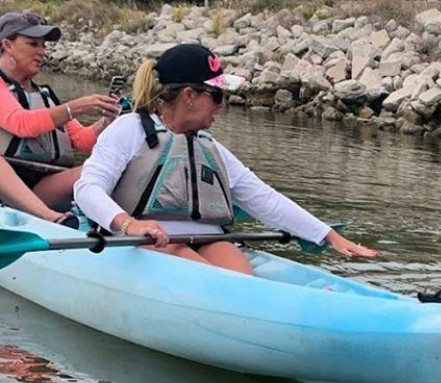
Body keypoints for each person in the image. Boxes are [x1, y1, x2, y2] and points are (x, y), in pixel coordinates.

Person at [74, 44, 378, 274]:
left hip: (206, 238)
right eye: (217, 96)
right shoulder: (129, 129)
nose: (222, 106)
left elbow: (263, 199)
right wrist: (129, 225)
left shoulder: (208, 146)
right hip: (144, 241)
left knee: (240, 279)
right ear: (189, 95)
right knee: (197, 269)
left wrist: (328, 235)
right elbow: (87, 189)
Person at [0, 11, 120, 220]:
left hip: (42, 189)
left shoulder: (44, 95)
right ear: (7, 45)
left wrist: (106, 121)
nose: (41, 52)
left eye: (44, 45)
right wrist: (76, 107)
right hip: (7, 193)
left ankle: (122, 222)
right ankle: (50, 218)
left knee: (100, 167)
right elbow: (21, 123)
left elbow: (82, 141)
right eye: (33, 44)